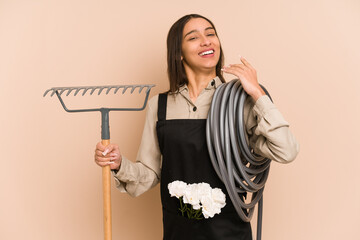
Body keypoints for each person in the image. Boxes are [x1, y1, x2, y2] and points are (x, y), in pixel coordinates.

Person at [94, 14, 299, 240]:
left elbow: (286, 150)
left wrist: (257, 93)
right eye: (194, 37)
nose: (206, 41)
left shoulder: (240, 103)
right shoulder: (159, 106)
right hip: (178, 233)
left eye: (211, 34)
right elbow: (150, 173)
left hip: (229, 234)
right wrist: (119, 164)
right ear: (178, 53)